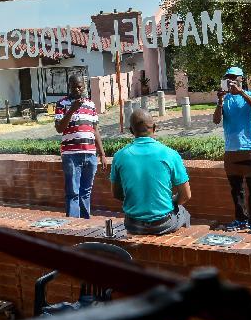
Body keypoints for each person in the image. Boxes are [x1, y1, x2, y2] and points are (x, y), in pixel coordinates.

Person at [110, 109, 192, 235]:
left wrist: (138, 202)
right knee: (184, 212)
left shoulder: (120, 156)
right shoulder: (170, 154)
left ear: (131, 130)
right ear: (155, 128)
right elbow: (186, 195)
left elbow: (116, 194)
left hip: (133, 224)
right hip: (163, 224)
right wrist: (172, 201)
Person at [212, 66, 251, 234]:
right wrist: (220, 102)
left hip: (249, 149)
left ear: (242, 79)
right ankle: (241, 219)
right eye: (228, 77)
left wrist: (241, 93)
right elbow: (215, 121)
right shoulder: (225, 98)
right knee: (236, 189)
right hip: (231, 151)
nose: (231, 80)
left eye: (234, 77)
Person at [54, 74, 107, 218]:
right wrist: (71, 109)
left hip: (90, 155)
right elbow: (59, 129)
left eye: (80, 86)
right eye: (74, 86)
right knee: (73, 192)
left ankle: (85, 225)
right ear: (69, 87)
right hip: (71, 156)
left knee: (86, 191)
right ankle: (72, 227)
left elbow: (95, 130)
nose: (77, 89)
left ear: (84, 87)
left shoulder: (90, 104)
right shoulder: (61, 104)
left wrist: (102, 154)